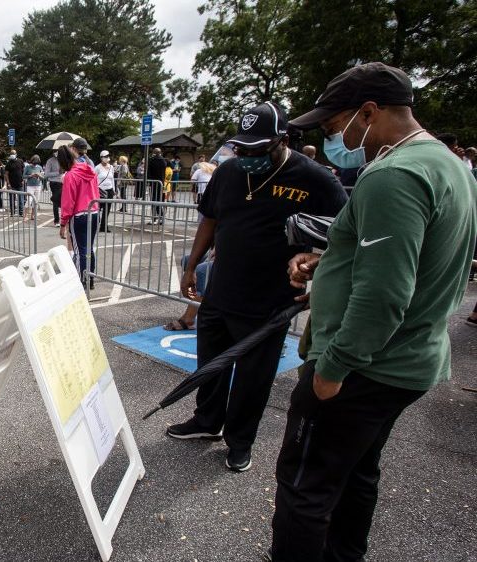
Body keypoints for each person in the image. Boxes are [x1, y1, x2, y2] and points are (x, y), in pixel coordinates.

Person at [270, 62, 477, 562]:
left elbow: (385, 293)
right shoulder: (448, 165)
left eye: (335, 125)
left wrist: (332, 370)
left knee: (305, 484)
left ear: (368, 112)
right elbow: (414, 256)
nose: (335, 139)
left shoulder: (393, 175)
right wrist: (329, 266)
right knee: (356, 471)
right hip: (409, 358)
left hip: (364, 365)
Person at [168, 101, 348, 473]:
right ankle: (207, 421)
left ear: (283, 140)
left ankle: (240, 441)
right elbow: (210, 219)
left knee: (253, 378)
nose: (248, 157)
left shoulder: (316, 179)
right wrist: (193, 265)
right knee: (211, 365)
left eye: (258, 149)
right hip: (221, 291)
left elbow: (347, 235)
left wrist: (319, 268)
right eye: (242, 149)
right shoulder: (228, 172)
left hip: (269, 300)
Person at [58, 145, 100, 287]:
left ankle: (81, 281)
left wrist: (63, 223)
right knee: (89, 248)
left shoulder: (70, 175)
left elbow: (68, 202)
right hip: (94, 212)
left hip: (79, 215)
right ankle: (90, 280)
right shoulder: (90, 170)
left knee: (80, 250)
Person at [94, 150, 116, 232]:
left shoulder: (111, 167)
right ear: (101, 158)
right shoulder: (97, 168)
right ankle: (95, 224)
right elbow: (93, 179)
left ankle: (104, 227)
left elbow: (112, 179)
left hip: (109, 190)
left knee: (107, 210)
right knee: (98, 209)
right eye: (105, 156)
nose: (107, 158)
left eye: (108, 156)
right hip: (100, 190)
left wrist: (114, 189)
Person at [147, 147, 167, 223]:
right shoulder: (163, 161)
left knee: (154, 200)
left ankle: (155, 217)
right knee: (160, 200)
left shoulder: (151, 160)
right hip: (162, 183)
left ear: (154, 153)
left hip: (154, 183)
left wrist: (148, 181)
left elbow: (148, 172)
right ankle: (161, 217)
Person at [44, 151, 64, 226]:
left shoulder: (63, 159)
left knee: (64, 201)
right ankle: (56, 220)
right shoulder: (50, 161)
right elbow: (46, 174)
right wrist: (58, 172)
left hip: (64, 182)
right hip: (54, 183)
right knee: (56, 201)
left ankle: (64, 219)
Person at [23, 155, 44, 222]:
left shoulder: (39, 167)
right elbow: (23, 176)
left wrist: (39, 175)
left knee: (36, 201)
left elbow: (43, 177)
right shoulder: (27, 167)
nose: (35, 164)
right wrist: (30, 175)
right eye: (34, 163)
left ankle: (33, 215)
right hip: (30, 186)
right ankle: (25, 216)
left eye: (36, 163)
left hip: (38, 186)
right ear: (32, 161)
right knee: (29, 201)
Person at [5, 151, 25, 216]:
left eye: (13, 153)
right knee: (12, 199)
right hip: (12, 184)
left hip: (20, 183)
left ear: (16, 154)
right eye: (11, 154)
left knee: (21, 199)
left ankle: (21, 212)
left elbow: (23, 171)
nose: (12, 155)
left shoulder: (20, 161)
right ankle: (12, 212)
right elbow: (6, 174)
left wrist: (23, 179)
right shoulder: (8, 163)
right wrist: (8, 183)